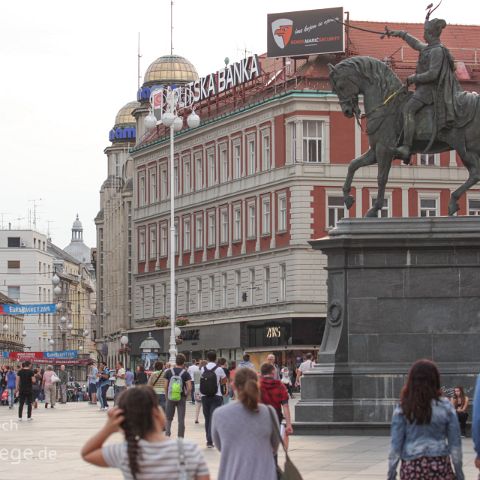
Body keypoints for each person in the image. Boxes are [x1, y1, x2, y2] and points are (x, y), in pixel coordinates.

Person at [81, 386, 210, 480]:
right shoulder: (189, 449)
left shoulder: (126, 452)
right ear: (155, 412)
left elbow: (87, 453)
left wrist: (108, 428)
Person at [387, 16, 459, 163]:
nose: (423, 34)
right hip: (423, 89)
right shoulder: (429, 48)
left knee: (408, 109)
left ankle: (406, 147)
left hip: (431, 91)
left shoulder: (437, 51)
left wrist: (414, 78)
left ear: (431, 33)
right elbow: (415, 44)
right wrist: (400, 33)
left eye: (425, 31)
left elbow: (433, 74)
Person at [387, 359, 464, 480]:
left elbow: (395, 446)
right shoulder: (446, 406)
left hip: (411, 467)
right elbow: (455, 445)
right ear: (435, 380)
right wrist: (459, 474)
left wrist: (391, 474)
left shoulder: (403, 407)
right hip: (439, 466)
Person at [211, 367, 279, 480]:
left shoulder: (219, 414)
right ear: (258, 385)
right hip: (264, 474)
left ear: (233, 386)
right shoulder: (269, 412)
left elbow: (220, 446)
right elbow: (274, 446)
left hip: (232, 474)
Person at [259, 362, 293, 449]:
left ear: (261, 373)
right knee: (273, 449)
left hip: (259, 419)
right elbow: (285, 406)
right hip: (275, 418)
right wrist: (288, 424)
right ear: (273, 373)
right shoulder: (280, 385)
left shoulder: (256, 385)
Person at [200, 351, 227, 448]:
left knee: (207, 418)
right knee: (213, 417)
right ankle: (212, 439)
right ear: (216, 359)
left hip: (204, 396)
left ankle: (209, 441)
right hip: (216, 396)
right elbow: (224, 380)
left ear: (207, 358)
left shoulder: (202, 368)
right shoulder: (219, 369)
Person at [163, 354, 192, 438]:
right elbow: (189, 387)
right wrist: (186, 395)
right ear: (184, 362)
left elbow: (165, 386)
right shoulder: (185, 373)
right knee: (181, 419)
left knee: (168, 418)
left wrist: (166, 396)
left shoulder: (168, 372)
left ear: (176, 361)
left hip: (170, 397)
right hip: (181, 397)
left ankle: (167, 434)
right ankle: (180, 437)